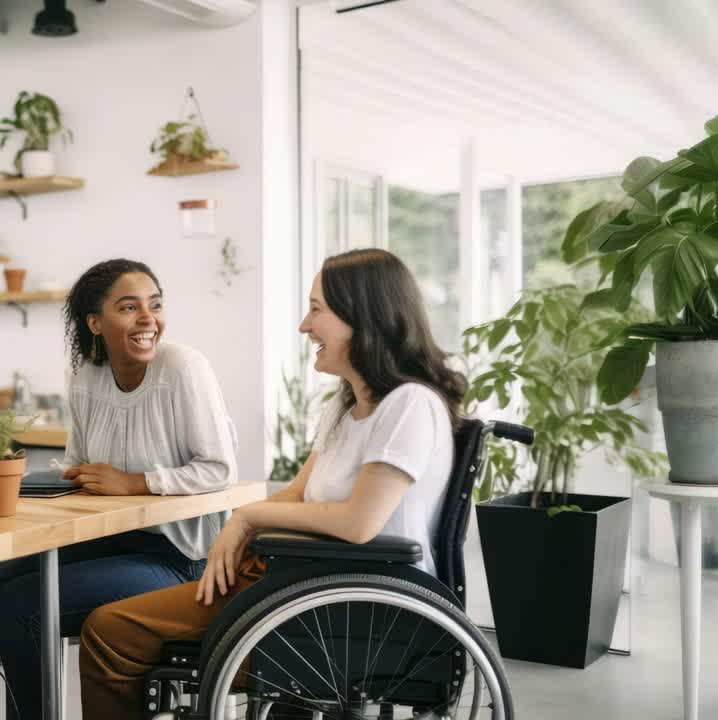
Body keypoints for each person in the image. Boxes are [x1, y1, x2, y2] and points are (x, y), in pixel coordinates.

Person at [78, 248, 468, 715]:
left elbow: (360, 523)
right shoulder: (346, 406)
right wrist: (244, 532)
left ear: (361, 316)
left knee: (109, 632)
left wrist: (248, 517)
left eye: (317, 310)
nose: (305, 325)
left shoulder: (409, 404)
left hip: (354, 613)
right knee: (115, 626)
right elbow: (297, 493)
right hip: (297, 584)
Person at [0, 258, 238, 720]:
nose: (147, 319)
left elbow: (219, 470)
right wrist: (57, 482)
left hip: (180, 557)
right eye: (129, 307)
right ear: (95, 323)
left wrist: (134, 483)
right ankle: (38, 689)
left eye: (154, 305)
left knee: (22, 609)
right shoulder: (86, 376)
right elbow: (80, 465)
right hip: (103, 539)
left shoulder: (182, 368)